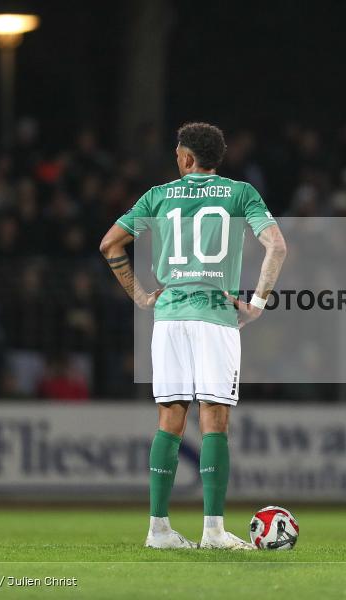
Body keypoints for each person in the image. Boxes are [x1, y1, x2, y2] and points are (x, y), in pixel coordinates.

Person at [99, 123, 288, 549]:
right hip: (214, 314)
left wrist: (142, 297)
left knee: (170, 420)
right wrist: (257, 302)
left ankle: (158, 530)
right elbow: (276, 245)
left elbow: (110, 244)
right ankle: (214, 531)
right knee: (215, 420)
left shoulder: (159, 195)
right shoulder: (241, 194)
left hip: (168, 319)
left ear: (186, 158)